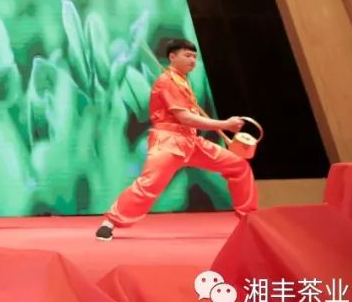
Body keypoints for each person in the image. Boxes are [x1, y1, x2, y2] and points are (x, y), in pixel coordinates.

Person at [95, 38, 257, 241]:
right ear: (172, 57)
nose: (192, 60)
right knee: (149, 184)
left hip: (192, 142)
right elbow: (185, 118)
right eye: (187, 55)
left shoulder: (182, 81)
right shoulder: (167, 82)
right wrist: (224, 124)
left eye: (195, 57)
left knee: (238, 166)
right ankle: (109, 223)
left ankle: (248, 219)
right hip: (169, 142)